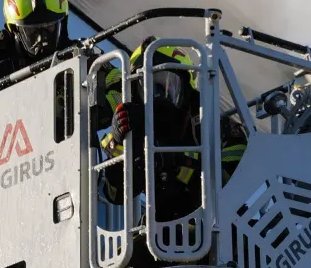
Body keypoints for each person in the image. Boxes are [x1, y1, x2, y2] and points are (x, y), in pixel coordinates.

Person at [94, 39, 248, 235]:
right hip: (159, 233)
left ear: (185, 88)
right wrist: (123, 145)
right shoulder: (132, 133)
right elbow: (115, 194)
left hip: (219, 230)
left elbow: (232, 185)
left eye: (167, 84)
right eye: (147, 87)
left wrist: (174, 163)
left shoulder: (214, 127)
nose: (158, 95)